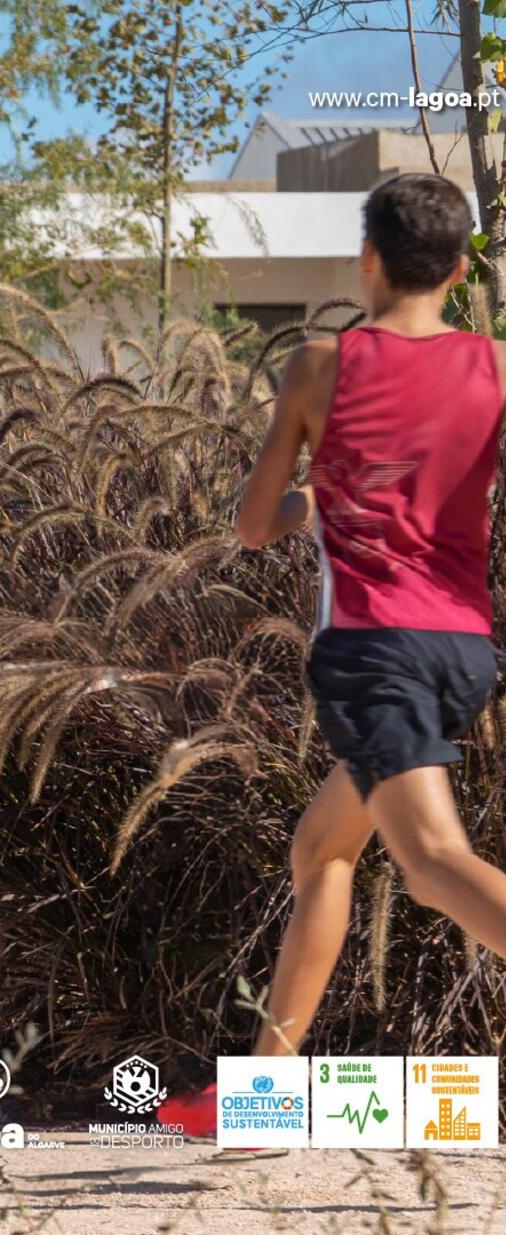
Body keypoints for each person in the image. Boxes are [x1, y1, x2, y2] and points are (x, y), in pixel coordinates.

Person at [160, 172, 506, 1138]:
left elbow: (254, 525)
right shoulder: (497, 365)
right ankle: (265, 1098)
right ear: (457, 268)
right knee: (322, 849)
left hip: (375, 652)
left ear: (368, 260)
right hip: (464, 650)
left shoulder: (321, 367)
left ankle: (262, 1099)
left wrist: (320, 498)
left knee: (433, 862)